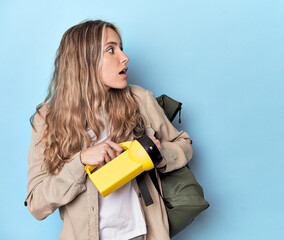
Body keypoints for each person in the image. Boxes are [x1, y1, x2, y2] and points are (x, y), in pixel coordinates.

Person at [25, 20, 193, 240]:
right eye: (111, 50)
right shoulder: (46, 120)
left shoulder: (139, 100)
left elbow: (184, 143)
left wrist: (159, 155)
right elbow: (36, 204)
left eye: (121, 48)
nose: (124, 57)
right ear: (83, 60)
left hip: (143, 234)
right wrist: (81, 161)